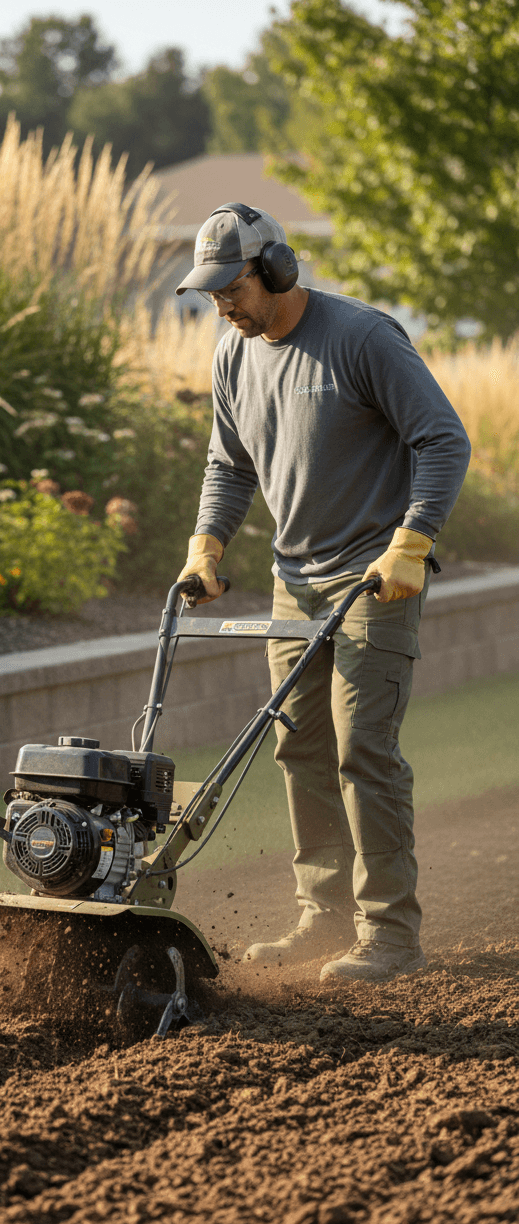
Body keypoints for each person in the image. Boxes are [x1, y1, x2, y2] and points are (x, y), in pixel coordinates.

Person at [175, 202, 470, 983]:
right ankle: (323, 915)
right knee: (297, 743)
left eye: (231, 288)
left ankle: (390, 936)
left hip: (376, 575)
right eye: (210, 295)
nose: (223, 305)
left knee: (363, 749)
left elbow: (442, 438)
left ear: (275, 269)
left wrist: (412, 542)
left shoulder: (362, 338)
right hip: (292, 581)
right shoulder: (233, 356)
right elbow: (229, 464)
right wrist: (207, 546)